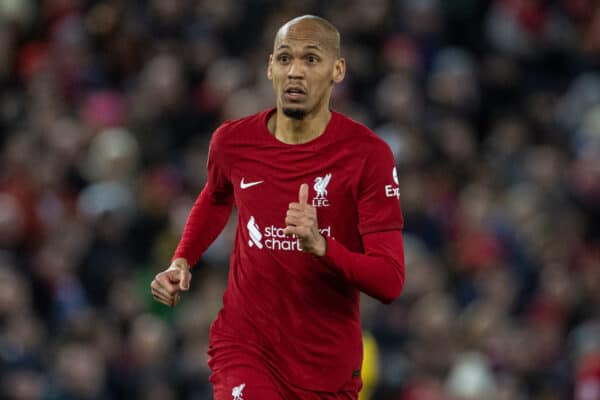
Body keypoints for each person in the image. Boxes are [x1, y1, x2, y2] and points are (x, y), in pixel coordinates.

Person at [150, 15, 405, 400]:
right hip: (246, 345)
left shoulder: (368, 156)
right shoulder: (232, 142)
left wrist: (322, 246)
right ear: (270, 67)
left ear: (338, 70)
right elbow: (217, 195)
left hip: (325, 365)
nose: (295, 72)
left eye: (311, 59)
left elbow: (389, 280)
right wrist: (182, 258)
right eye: (285, 59)